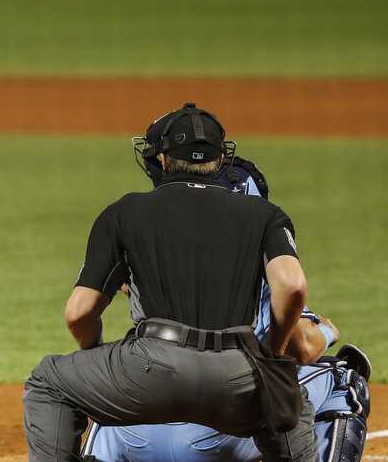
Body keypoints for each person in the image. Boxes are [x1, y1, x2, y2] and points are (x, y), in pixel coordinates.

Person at [22, 102, 319, 462]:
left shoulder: (125, 211)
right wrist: (272, 352)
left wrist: (96, 355)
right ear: (220, 159)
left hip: (147, 371)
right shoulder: (265, 214)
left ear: (163, 160)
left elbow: (78, 313)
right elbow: (293, 286)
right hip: (236, 374)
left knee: (48, 383)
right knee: (288, 406)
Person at [81, 155, 372, 462]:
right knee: (343, 379)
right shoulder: (264, 263)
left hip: (139, 422)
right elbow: (302, 347)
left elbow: (80, 312)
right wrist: (326, 330)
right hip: (222, 426)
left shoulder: (146, 250)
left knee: (115, 383)